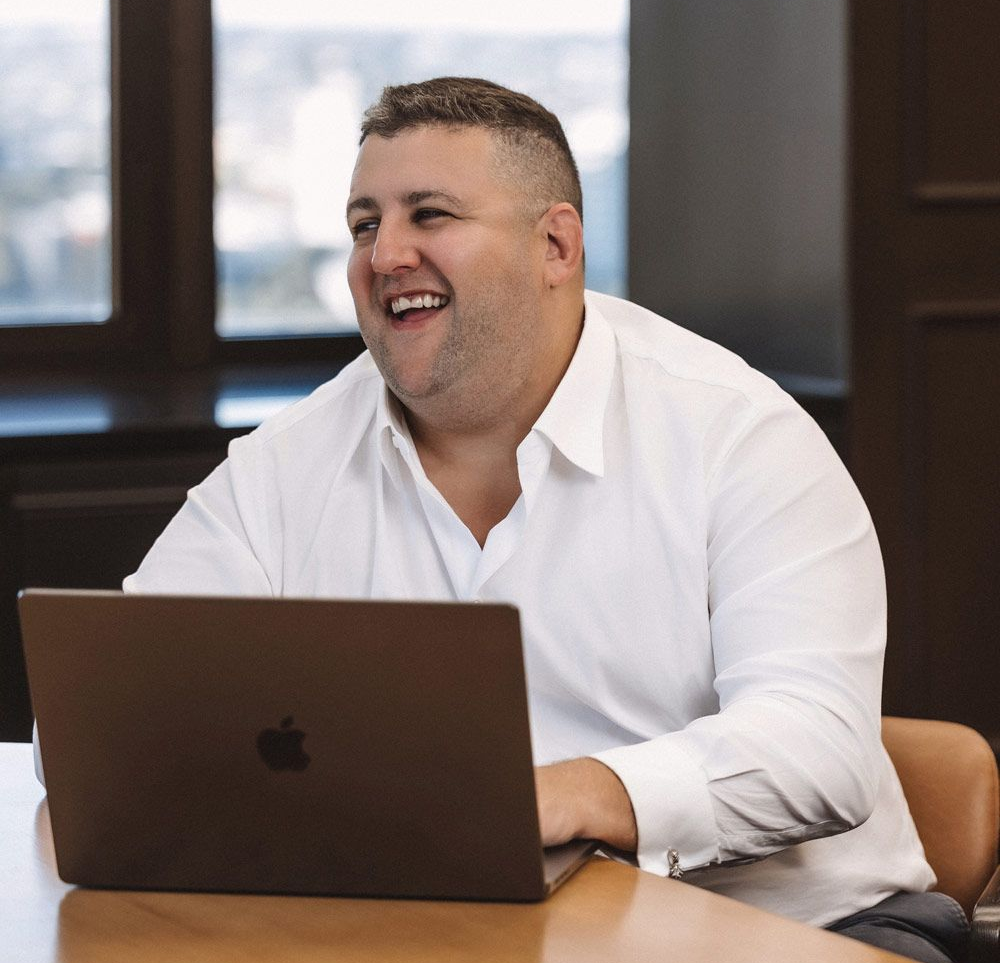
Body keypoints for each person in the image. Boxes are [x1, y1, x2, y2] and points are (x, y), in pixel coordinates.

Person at [61, 77, 964, 960]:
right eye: (364, 224)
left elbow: (818, 750)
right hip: (447, 929)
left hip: (803, 931)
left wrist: (564, 794)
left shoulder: (740, 434)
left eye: (430, 215)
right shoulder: (286, 461)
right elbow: (112, 722)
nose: (385, 255)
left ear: (556, 246)